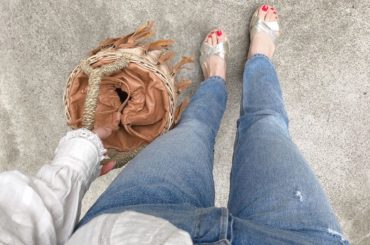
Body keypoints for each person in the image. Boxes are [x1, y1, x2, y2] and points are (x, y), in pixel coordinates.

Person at [0, 5, 349, 245]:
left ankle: (216, 81)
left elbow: (16, 221)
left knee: (194, 129)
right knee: (267, 124)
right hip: (298, 237)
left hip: (135, 224)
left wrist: (80, 157)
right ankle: (257, 61)